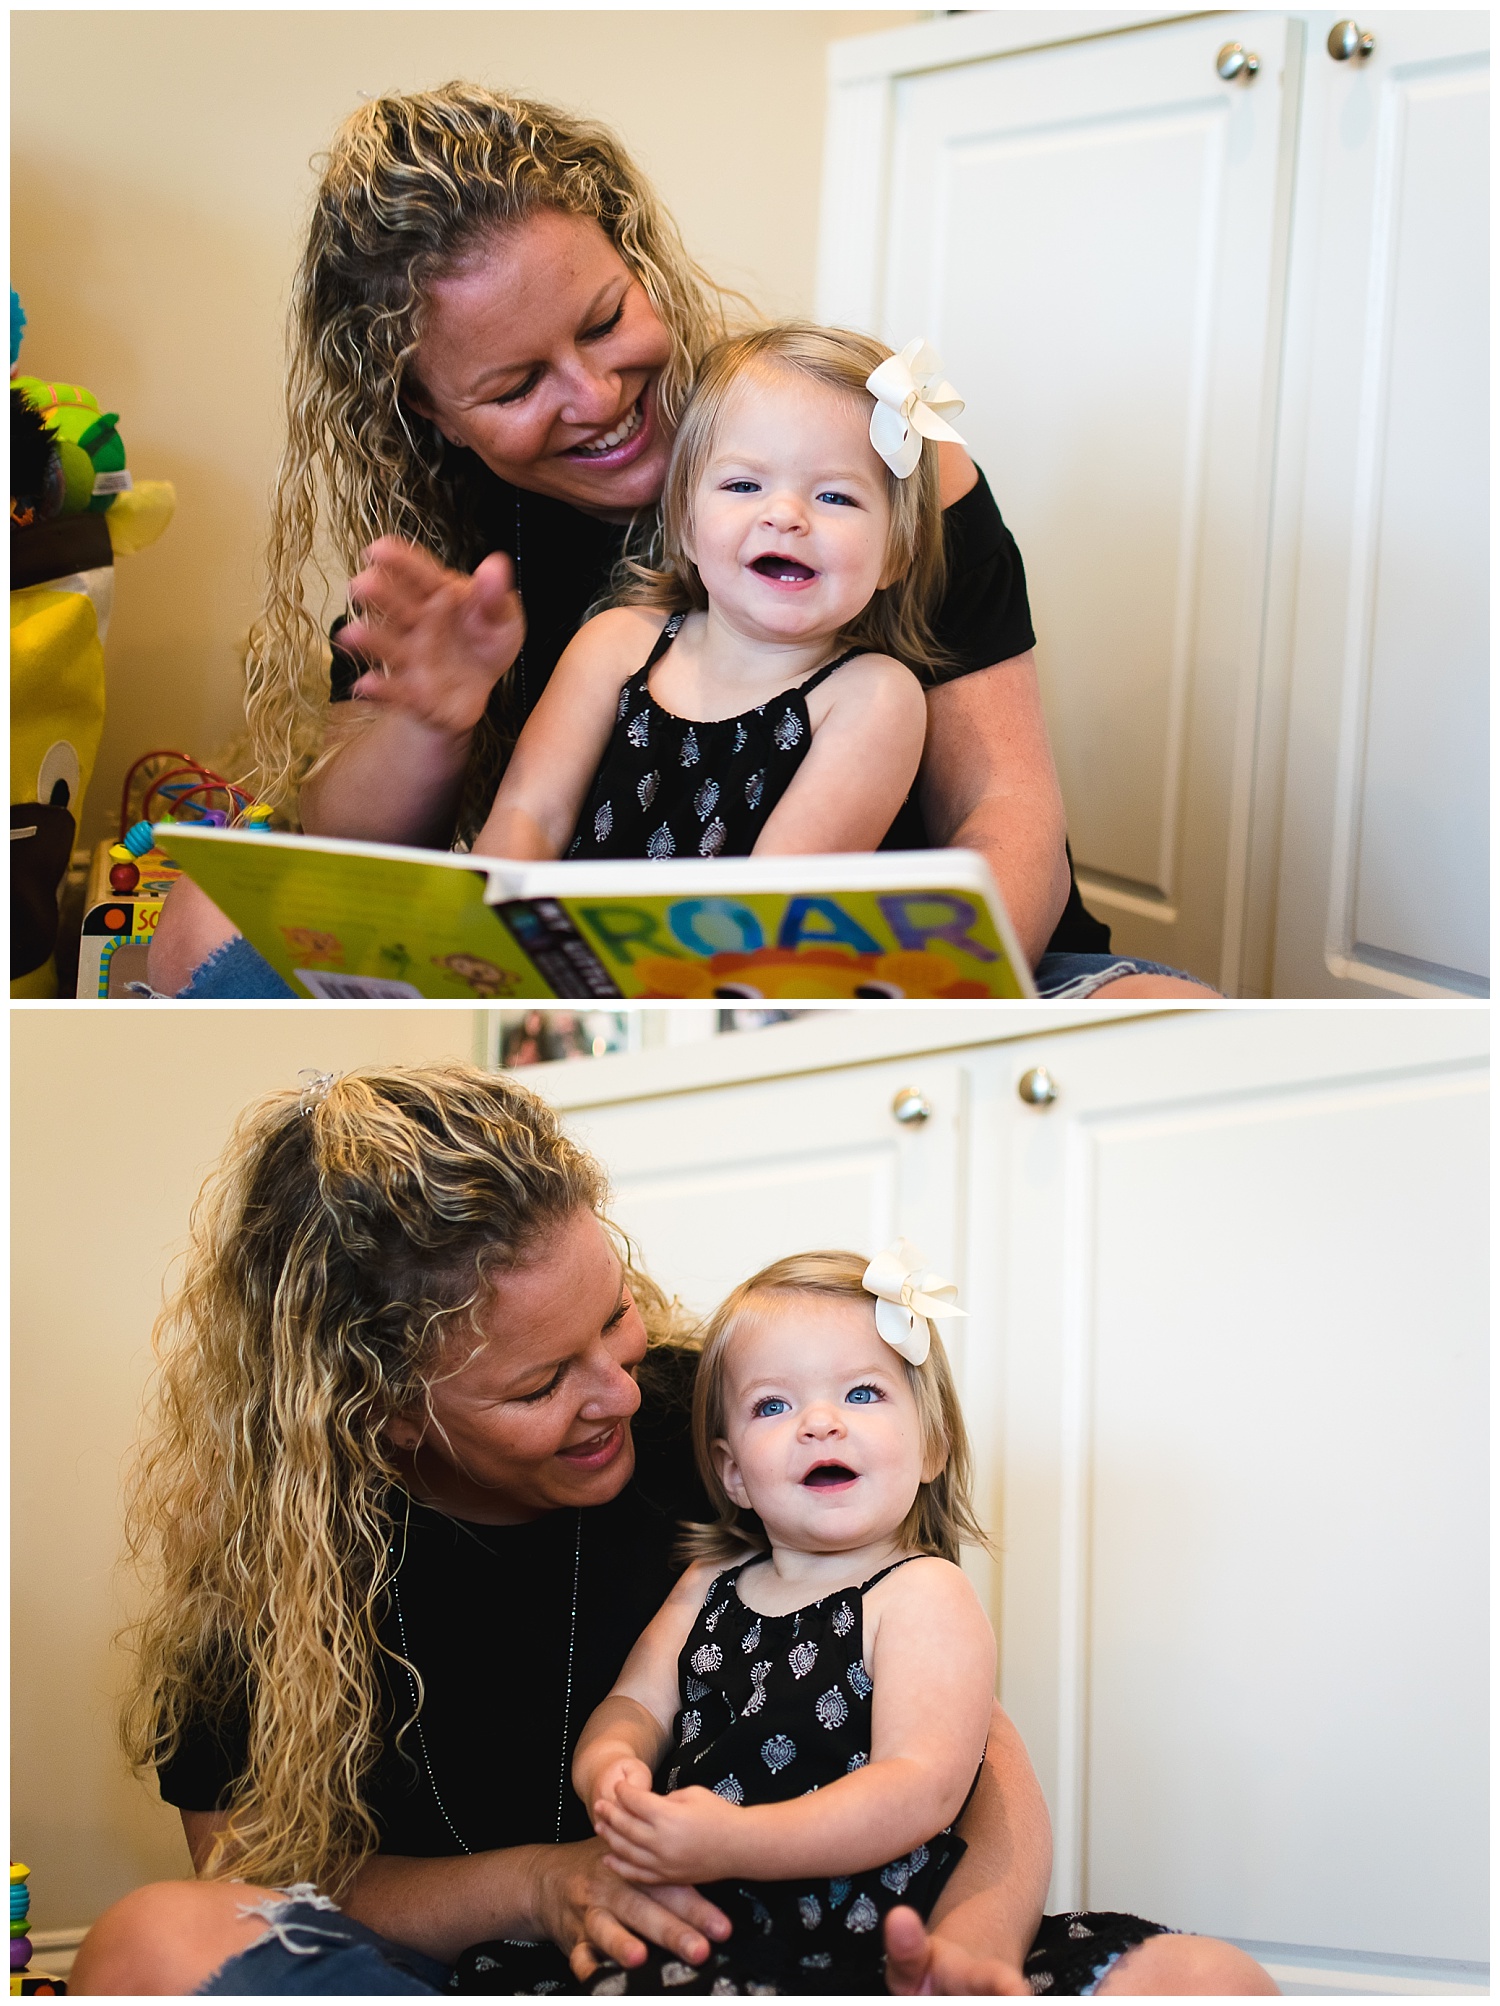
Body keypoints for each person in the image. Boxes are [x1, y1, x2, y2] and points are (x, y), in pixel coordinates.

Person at [71, 1063, 1274, 1996]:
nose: (616, 1390)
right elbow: (258, 1880)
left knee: (1210, 1981)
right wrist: (542, 1884)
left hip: (837, 1944)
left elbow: (964, 1741)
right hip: (522, 1967)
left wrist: (967, 1954)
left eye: (615, 1315)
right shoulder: (270, 1564)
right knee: (150, 1941)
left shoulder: (729, 1428)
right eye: (542, 1383)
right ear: (381, 1417)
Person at [146, 83, 1215, 1000]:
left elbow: (1004, 802)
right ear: (430, 413)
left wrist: (953, 997)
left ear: (638, 264)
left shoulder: (870, 463)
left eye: (606, 320)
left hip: (887, 969)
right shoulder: (450, 558)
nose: (597, 394)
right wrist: (431, 723)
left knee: (1181, 1016)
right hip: (602, 978)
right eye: (517, 386)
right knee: (195, 914)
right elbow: (367, 851)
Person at [565, 1244, 1007, 1994]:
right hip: (700, 1922)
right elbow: (635, 1703)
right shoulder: (707, 1586)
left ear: (931, 1444)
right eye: (774, 1405)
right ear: (733, 1470)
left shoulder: (923, 1594)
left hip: (856, 1930)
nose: (821, 1424)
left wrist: (735, 1841)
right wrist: (610, 1771)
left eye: (863, 1394)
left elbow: (920, 1789)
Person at [465, 325, 942, 866]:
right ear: (686, 525)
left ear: (897, 552)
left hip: (736, 946)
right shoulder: (615, 645)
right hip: (558, 943)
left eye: (835, 495)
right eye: (743, 486)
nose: (784, 516)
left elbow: (776, 893)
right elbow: (530, 816)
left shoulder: (873, 698)